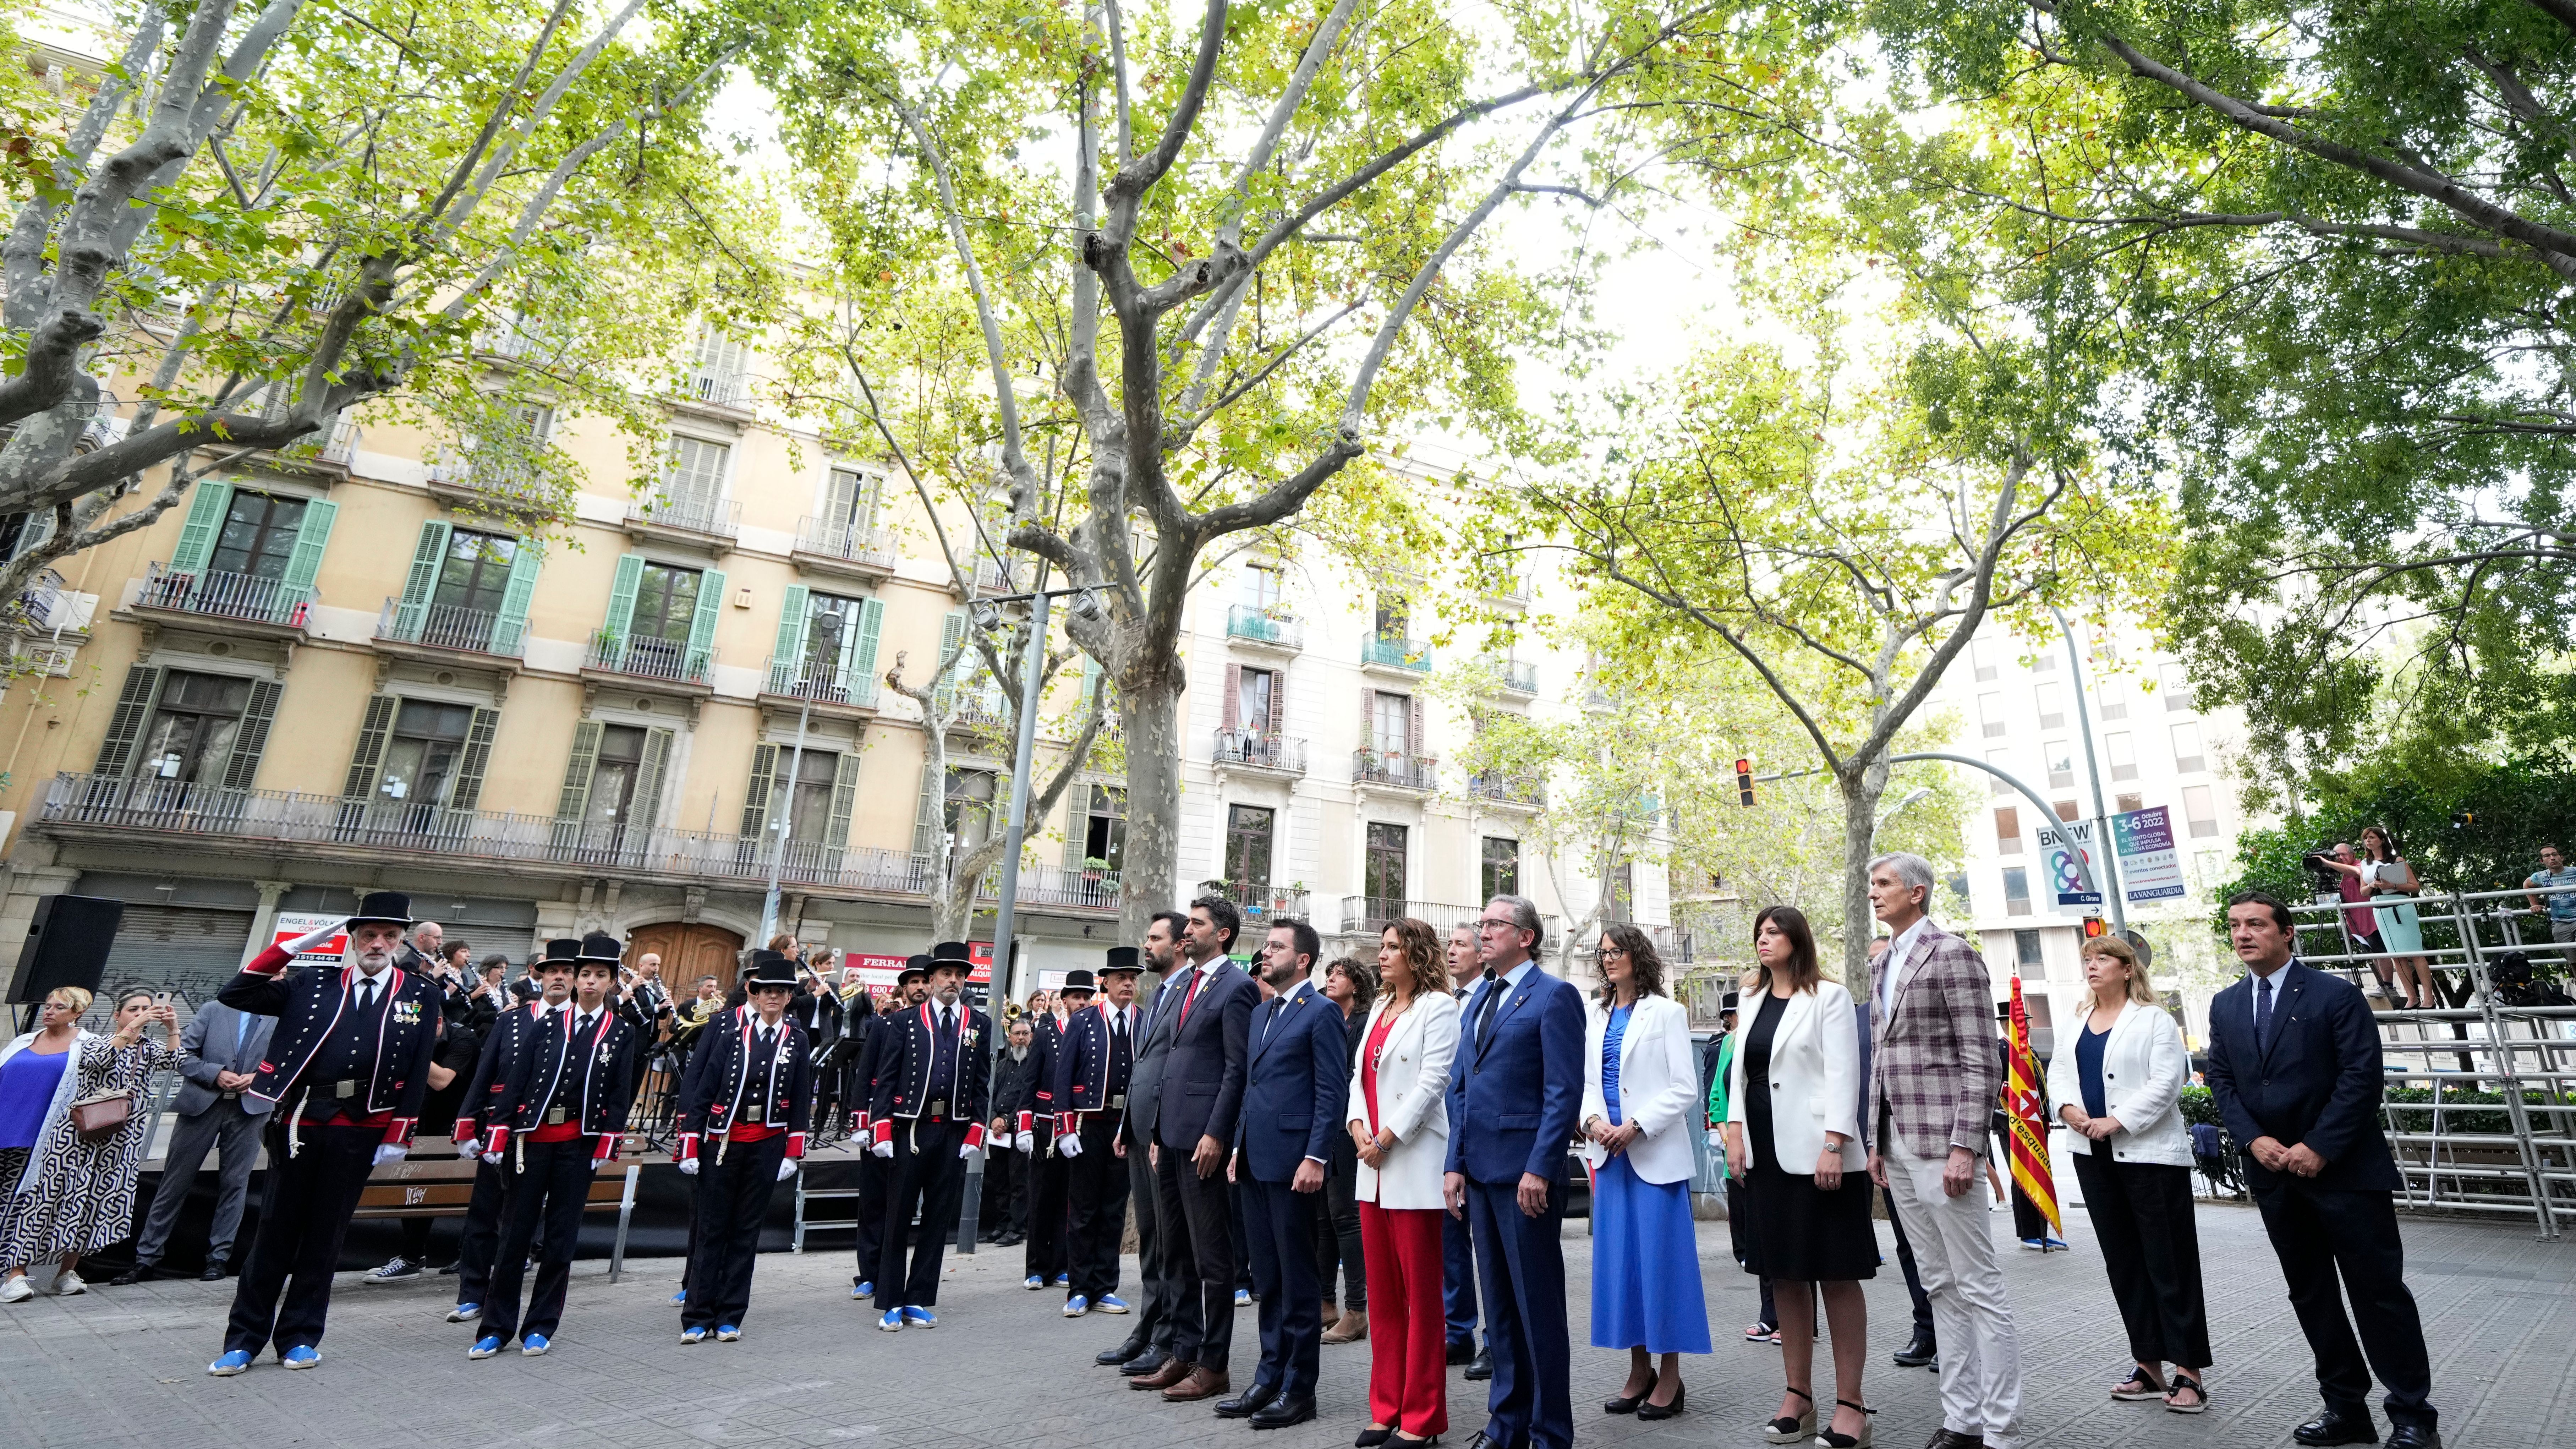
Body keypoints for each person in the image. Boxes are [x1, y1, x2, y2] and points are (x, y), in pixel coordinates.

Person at [2207, 891, 2437, 1449]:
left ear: (2286, 933)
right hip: (2274, 1177)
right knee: (2310, 1294)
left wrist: (2319, 1145)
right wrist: (2253, 1138)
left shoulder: (2335, 994)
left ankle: (2411, 1416)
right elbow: (2222, 1080)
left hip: (2344, 1174)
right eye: (2236, 925)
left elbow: (2361, 1077)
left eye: (2256, 924)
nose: (2243, 934)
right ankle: (2344, 1410)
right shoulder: (2225, 1004)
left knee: (2377, 1294)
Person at [209, 892, 444, 1376]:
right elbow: (236, 994)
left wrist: (399, 1130)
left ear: (401, 943)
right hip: (299, 1122)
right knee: (275, 1231)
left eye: (389, 936)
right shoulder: (312, 981)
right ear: (354, 940)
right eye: (369, 935)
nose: (378, 943)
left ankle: (299, 1335)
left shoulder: (419, 993)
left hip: (364, 1126)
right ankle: (244, 1339)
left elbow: (420, 1068)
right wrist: (293, 947)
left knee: (325, 1236)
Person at [1864, 853, 2021, 1449]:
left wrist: (1965, 1146)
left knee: (1978, 1285)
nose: (1874, 894)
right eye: (1872, 885)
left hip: (1943, 1143)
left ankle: (2002, 1429)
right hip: (1896, 1145)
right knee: (1938, 1285)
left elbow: (1982, 1058)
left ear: (1917, 892)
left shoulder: (1951, 952)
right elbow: (1880, 1057)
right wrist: (1874, 1140)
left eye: (1883, 885)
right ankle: (1962, 1422)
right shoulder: (1881, 961)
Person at [1729, 907, 1873, 1447]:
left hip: (1820, 1155)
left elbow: (1844, 1074)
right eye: (1759, 933)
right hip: (1765, 1155)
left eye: (1773, 932)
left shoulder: (1828, 997)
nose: (1764, 940)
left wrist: (1835, 1143)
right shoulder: (1748, 998)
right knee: (1783, 1274)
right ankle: (1798, 1395)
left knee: (1836, 1274)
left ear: (1797, 940)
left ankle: (1851, 1404)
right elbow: (1742, 1076)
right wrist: (1734, 1134)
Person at [2046, 934, 2208, 1413]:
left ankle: (2188, 1370)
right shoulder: (2076, 1019)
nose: (2091, 966)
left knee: (2169, 1262)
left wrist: (2118, 1121)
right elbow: (2058, 1072)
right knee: (2123, 1262)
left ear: (2126, 967)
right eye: (2086, 960)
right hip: (2090, 1152)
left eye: (2100, 959)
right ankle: (2148, 1365)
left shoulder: (2154, 1019)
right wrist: (2071, 1110)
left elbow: (2168, 1079)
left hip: (2148, 1155)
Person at [1446, 894, 1585, 1449]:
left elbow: (1561, 1093)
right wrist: (1454, 1164)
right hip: (1479, 1174)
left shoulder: (1555, 996)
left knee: (1537, 1310)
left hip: (1526, 1179)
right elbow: (1461, 1089)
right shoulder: (1479, 996)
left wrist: (1540, 1168)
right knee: (1499, 1312)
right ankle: (1507, 1425)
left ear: (1525, 936)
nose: (1483, 933)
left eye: (1494, 925)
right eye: (1480, 924)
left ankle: (1549, 1431)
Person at [469, 933, 640, 1357]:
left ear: (612, 983)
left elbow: (621, 1094)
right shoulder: (546, 1023)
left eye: (601, 976)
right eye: (585, 975)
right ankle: (496, 1326)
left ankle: (541, 1324)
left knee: (561, 1240)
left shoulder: (621, 1032)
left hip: (579, 1146)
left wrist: (608, 1143)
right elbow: (517, 1082)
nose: (590, 982)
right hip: (531, 1143)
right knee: (514, 1235)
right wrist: (499, 1131)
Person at [1215, 917, 1346, 1430]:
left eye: (1276, 947)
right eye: (1266, 945)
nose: (1265, 953)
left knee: (1297, 1280)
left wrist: (1315, 1156)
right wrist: (1237, 1146)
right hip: (1254, 1160)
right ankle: (1268, 1376)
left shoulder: (1322, 1013)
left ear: (1304, 959)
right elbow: (1252, 1085)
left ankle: (1298, 1387)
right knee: (1267, 1279)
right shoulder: (1262, 1011)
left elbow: (1331, 1092)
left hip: (1296, 1165)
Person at [1128, 897, 1258, 1402]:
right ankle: (1181, 1350)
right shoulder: (1186, 984)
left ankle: (1214, 1362)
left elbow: (1234, 1067)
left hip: (1203, 1139)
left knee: (1212, 1257)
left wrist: (1217, 1133)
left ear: (1221, 934)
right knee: (1175, 1251)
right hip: (1171, 1136)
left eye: (1197, 923)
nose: (1187, 930)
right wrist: (1159, 1130)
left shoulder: (1237, 987)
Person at [1584, 923, 1710, 1423]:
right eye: (1603, 953)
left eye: (1617, 951)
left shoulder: (1667, 1012)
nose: (1609, 959)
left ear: (1637, 956)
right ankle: (1639, 1371)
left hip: (1651, 1152)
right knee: (1622, 1269)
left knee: (1663, 1266)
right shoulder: (1594, 1014)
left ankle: (1671, 1375)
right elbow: (1585, 1082)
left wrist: (1635, 1125)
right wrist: (1592, 1121)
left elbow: (1684, 1087)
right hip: (1608, 1155)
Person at [1350, 919, 1462, 1448]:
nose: (1383, 954)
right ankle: (1385, 1407)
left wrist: (1387, 1137)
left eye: (1394, 947)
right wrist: (1357, 1129)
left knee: (1421, 1296)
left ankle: (1422, 1418)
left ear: (1417, 954)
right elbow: (1359, 1079)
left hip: (1411, 1160)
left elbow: (1433, 1080)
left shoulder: (1438, 1006)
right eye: (1382, 946)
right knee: (1384, 1299)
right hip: (1369, 1166)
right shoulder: (1376, 1008)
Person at [0, 988, 181, 1301]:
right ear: (118, 1015)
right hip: (76, 1136)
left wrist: (172, 1028)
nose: (141, 1013)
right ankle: (16, 1274)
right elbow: (99, 1061)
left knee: (92, 1204)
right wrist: (133, 1029)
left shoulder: (148, 1048)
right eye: (133, 1009)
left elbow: (176, 1061)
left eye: (146, 1009)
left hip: (119, 1139)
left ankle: (66, 1272)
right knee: (45, 1199)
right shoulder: (94, 1042)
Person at [674, 949, 812, 1343]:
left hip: (767, 1144)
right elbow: (701, 1085)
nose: (772, 997)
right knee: (712, 1229)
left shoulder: (796, 1037)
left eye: (781, 992)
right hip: (721, 1141)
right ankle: (697, 1315)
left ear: (789, 998)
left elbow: (801, 1095)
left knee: (746, 1232)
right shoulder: (727, 1029)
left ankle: (731, 1314)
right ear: (753, 991)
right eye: (765, 990)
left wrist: (792, 1149)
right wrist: (689, 1140)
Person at [866, 941, 993, 1331]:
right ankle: (891, 1299)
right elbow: (886, 1077)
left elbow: (981, 1083)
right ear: (933, 978)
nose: (952, 980)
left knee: (938, 1218)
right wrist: (881, 1126)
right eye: (945, 974)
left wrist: (976, 1128)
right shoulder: (906, 1020)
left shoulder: (979, 1023)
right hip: (911, 1128)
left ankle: (920, 1297)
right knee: (898, 1215)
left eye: (959, 974)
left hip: (952, 1129)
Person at [117, 992, 276, 1284]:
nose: (276, 980)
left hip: (251, 1109)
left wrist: (259, 1078)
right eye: (271, 975)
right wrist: (215, 1074)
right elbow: (182, 1055)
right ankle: (146, 1259)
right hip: (201, 1104)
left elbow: (289, 1063)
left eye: (281, 975)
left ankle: (218, 1258)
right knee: (174, 1183)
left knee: (235, 1185)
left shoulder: (283, 1016)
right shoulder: (214, 1010)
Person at [446, 951, 560, 1325]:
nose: (558, 978)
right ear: (538, 977)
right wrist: (466, 1124)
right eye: (550, 972)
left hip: (545, 1133)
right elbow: (483, 1074)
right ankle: (472, 1292)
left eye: (566, 973)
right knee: (484, 1212)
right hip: (498, 1129)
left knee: (523, 1218)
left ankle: (508, 1296)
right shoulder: (510, 1020)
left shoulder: (582, 1025)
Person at [1102, 910, 1191, 1380]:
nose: (1147, 945)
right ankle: (1149, 1325)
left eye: (1155, 938)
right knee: (1152, 1240)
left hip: (1165, 1133)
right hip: (1138, 1130)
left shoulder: (1188, 992)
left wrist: (1156, 1128)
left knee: (1170, 1241)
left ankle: (1170, 1334)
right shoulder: (1155, 995)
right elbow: (1142, 1067)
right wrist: (1126, 1124)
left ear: (1179, 944)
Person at [1058, 947, 1144, 1317]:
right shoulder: (1085, 1020)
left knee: (1113, 1209)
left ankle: (1106, 1285)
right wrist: (1064, 1128)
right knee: (1083, 1209)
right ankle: (1079, 1287)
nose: (1128, 983)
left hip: (1127, 1126)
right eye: (1121, 977)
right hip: (1088, 1125)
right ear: (1104, 982)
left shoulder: (1147, 1019)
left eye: (1133, 978)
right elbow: (1064, 1076)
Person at [851, 958, 930, 1295]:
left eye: (925, 981)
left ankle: (899, 1276)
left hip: (918, 1130)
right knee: (874, 1202)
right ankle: (869, 1274)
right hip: (881, 1126)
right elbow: (866, 1074)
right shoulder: (884, 1025)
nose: (920, 987)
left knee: (904, 1205)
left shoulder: (943, 1028)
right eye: (913, 982)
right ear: (904, 988)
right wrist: (861, 1122)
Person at [1441, 918, 1491, 1380]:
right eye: (1449, 944)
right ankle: (1456, 1332)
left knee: (1488, 1245)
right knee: (1448, 1241)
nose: (1450, 950)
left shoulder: (1491, 1000)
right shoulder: (1442, 1003)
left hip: (1481, 1136)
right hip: (1443, 1137)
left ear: (1481, 953)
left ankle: (1496, 1341)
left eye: (1459, 944)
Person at [1316, 953, 1375, 1345]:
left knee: (1346, 1218)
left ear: (1356, 983)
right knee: (1322, 1217)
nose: (1332, 978)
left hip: (1348, 1126)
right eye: (1330, 973)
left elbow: (1354, 1075)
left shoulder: (1363, 1021)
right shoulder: (1325, 1016)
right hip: (1322, 1124)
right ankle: (1325, 1302)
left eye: (1340, 973)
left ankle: (1357, 1309)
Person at [1017, 968, 1082, 1294]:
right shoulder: (1045, 1033)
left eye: (1086, 997)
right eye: (1076, 997)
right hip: (1045, 1126)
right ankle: (1035, 1267)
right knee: (1041, 1197)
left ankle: (1060, 1266)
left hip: (1077, 1129)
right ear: (1065, 1000)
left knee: (1068, 1201)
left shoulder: (1093, 1032)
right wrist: (1024, 1125)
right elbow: (1030, 1080)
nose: (1081, 1002)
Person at [2323, 827, 2435, 1010]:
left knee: (2416, 954)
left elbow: (2415, 887)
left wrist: (2393, 884)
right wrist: (2373, 884)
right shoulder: (2366, 865)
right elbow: (2363, 891)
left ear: (2382, 841)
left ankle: (2429, 999)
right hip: (2380, 910)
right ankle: (2412, 998)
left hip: (2400, 907)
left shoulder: (2396, 861)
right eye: (2365, 838)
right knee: (2396, 957)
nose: (2368, 840)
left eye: (2372, 837)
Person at [987, 1017, 1039, 1245]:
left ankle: (1017, 1228)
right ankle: (1002, 1225)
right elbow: (991, 1096)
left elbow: (1029, 1099)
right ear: (1009, 1037)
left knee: (1019, 1182)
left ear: (1031, 1037)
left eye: (1025, 1034)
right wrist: (993, 1120)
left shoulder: (1035, 1064)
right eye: (1017, 1033)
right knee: (1000, 1181)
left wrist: (1007, 1120)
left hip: (1020, 1131)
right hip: (998, 1132)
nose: (1020, 1038)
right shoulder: (1002, 1065)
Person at [2523, 843, 2576, 967]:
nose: (2552, 858)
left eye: (2555, 854)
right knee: (2572, 959)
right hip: (2559, 922)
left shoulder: (2574, 872)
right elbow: (2527, 885)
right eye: (2547, 856)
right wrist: (2534, 904)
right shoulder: (2542, 876)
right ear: (2542, 861)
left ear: (2561, 858)